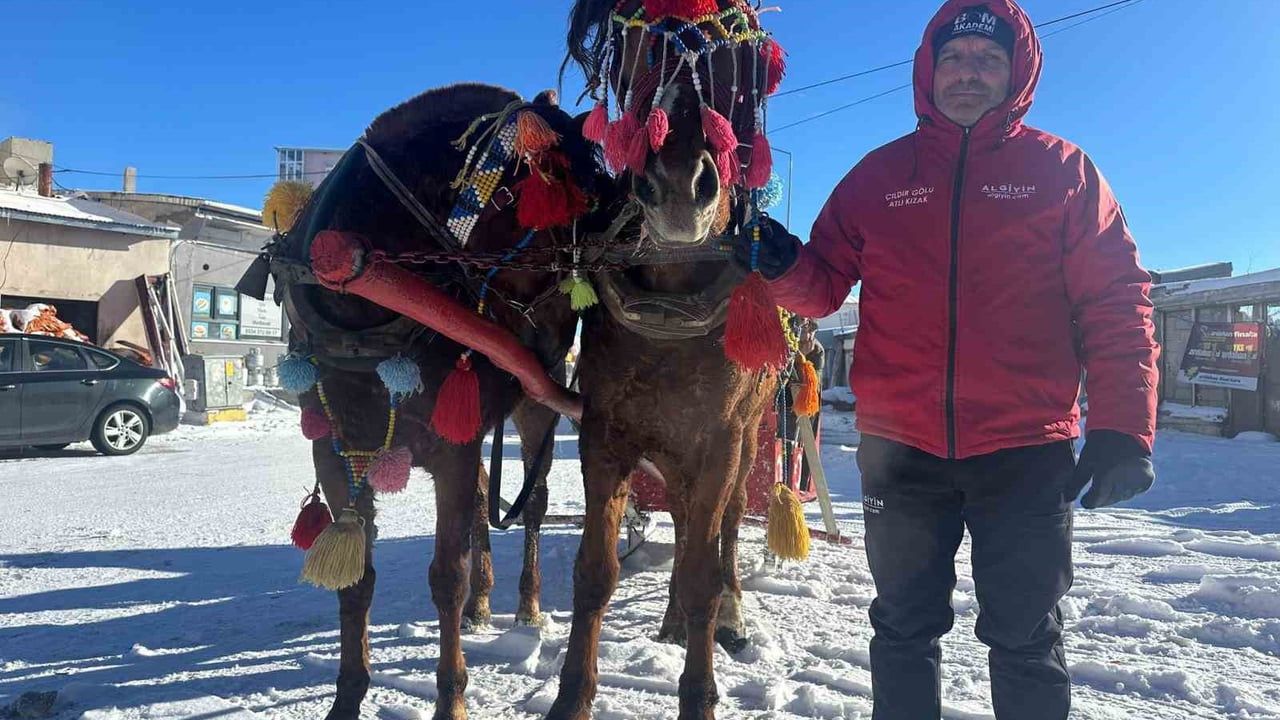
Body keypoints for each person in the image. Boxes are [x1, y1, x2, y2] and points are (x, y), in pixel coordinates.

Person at [740, 1, 1160, 718]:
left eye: (988, 60)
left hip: (1025, 453)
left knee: (1027, 635)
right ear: (929, 71)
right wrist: (780, 262)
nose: (968, 73)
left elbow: (1118, 301)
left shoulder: (1063, 173)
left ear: (1017, 73)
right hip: (900, 455)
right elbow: (820, 288)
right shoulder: (878, 177)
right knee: (902, 628)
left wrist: (1124, 427)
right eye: (955, 59)